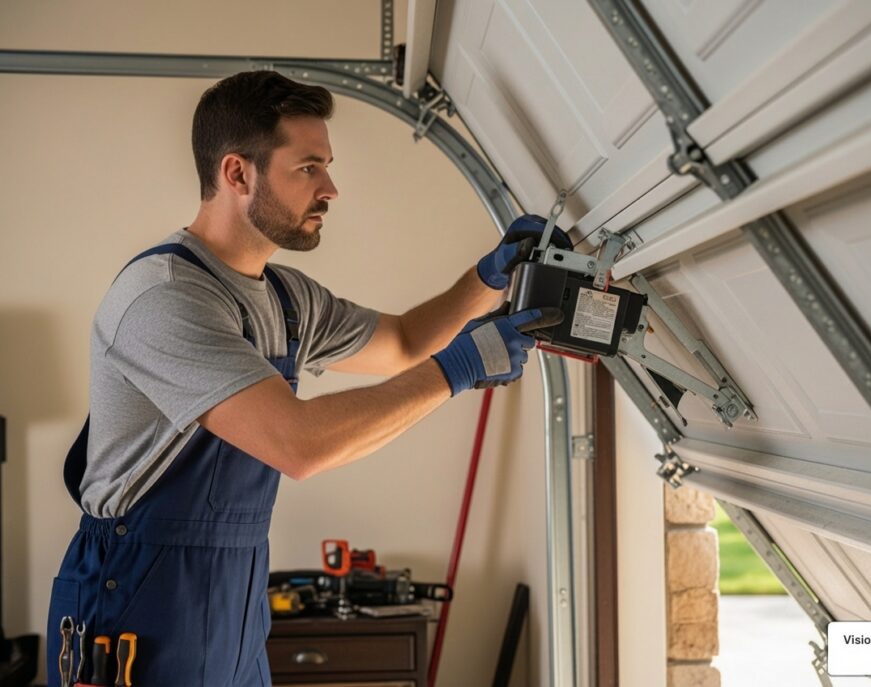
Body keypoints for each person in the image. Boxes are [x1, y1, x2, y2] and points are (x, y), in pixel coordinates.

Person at [46, 70, 569, 686]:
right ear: (237, 173)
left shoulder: (285, 298)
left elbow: (402, 342)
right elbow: (299, 443)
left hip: (234, 603)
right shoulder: (166, 299)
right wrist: (458, 369)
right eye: (309, 168)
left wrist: (488, 279)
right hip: (140, 606)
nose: (331, 189)